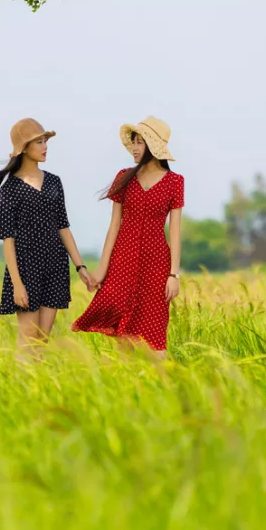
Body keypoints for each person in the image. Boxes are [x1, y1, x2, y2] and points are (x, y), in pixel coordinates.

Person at [72, 116, 184, 359]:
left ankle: (159, 385)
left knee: (154, 330)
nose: (133, 147)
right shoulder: (124, 176)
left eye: (140, 142)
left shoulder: (175, 182)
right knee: (123, 329)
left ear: (155, 146)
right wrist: (102, 269)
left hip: (156, 265)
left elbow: (174, 230)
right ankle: (126, 386)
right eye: (133, 142)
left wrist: (173, 274)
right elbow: (114, 226)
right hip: (122, 261)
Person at [0, 118, 93, 357]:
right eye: (39, 141)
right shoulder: (10, 189)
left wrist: (80, 266)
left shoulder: (54, 181)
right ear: (24, 148)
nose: (45, 146)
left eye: (45, 141)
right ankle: (19, 390)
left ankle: (36, 391)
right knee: (28, 337)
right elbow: (8, 238)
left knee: (42, 340)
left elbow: (63, 227)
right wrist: (17, 283)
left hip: (55, 265)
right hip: (26, 268)